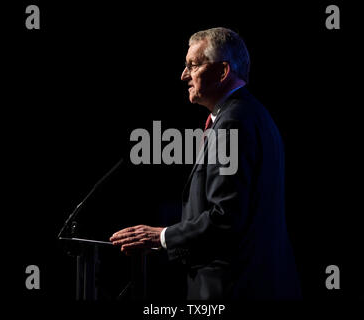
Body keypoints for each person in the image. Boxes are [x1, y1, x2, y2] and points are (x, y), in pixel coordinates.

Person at [110, 27, 301, 300]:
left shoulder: (233, 122)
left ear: (222, 71)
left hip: (233, 287)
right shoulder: (248, 114)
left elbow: (226, 217)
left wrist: (162, 236)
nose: (183, 75)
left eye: (193, 65)